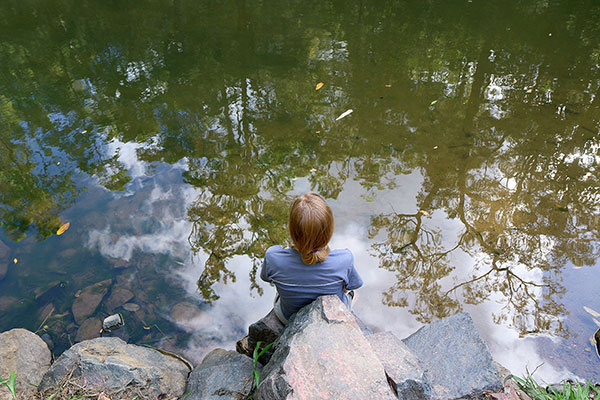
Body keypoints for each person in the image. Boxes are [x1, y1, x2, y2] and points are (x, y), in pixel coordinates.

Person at [260, 192, 363, 324]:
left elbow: (266, 278)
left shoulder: (273, 256)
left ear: (292, 230)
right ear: (329, 231)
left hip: (288, 318)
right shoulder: (344, 258)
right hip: (331, 318)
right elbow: (355, 284)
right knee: (352, 292)